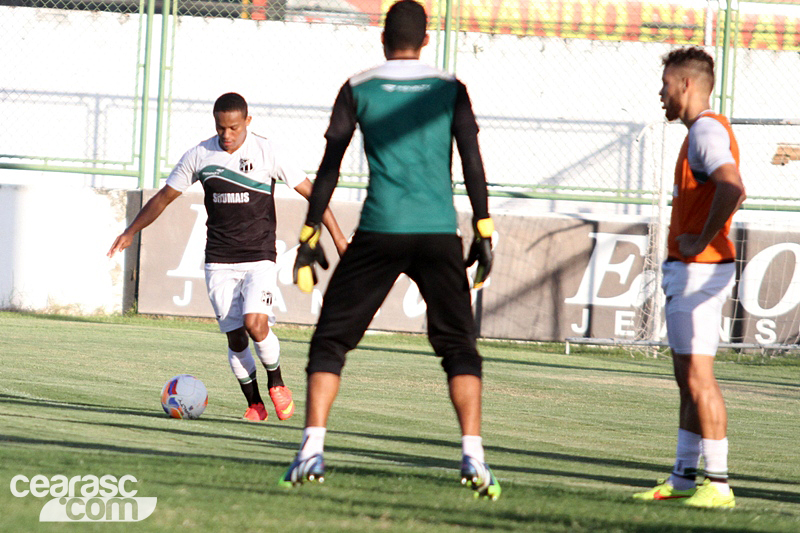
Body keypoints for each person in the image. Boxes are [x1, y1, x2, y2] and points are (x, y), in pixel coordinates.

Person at [277, 0, 499, 500]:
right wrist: (484, 228)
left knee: (331, 341)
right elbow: (472, 162)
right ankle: (474, 455)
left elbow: (329, 165)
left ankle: (312, 449)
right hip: (439, 232)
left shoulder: (358, 87)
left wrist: (311, 232)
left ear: (382, 38)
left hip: (380, 230)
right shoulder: (450, 88)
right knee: (459, 347)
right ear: (426, 39)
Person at [108, 92, 348, 423]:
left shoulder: (268, 152)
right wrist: (131, 230)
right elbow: (164, 197)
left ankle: (276, 382)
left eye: (234, 127)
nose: (227, 135)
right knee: (236, 337)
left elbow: (314, 193)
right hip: (219, 259)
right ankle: (255, 404)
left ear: (247, 122)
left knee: (255, 323)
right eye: (221, 128)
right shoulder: (199, 155)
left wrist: (337, 238)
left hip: (260, 256)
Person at [633, 47, 746, 508]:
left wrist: (702, 237)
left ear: (684, 84)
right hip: (693, 271)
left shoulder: (705, 130)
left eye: (665, 85)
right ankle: (683, 478)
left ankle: (718, 484)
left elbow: (733, 185)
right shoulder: (699, 132)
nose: (660, 94)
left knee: (700, 379)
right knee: (688, 379)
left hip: (700, 272)